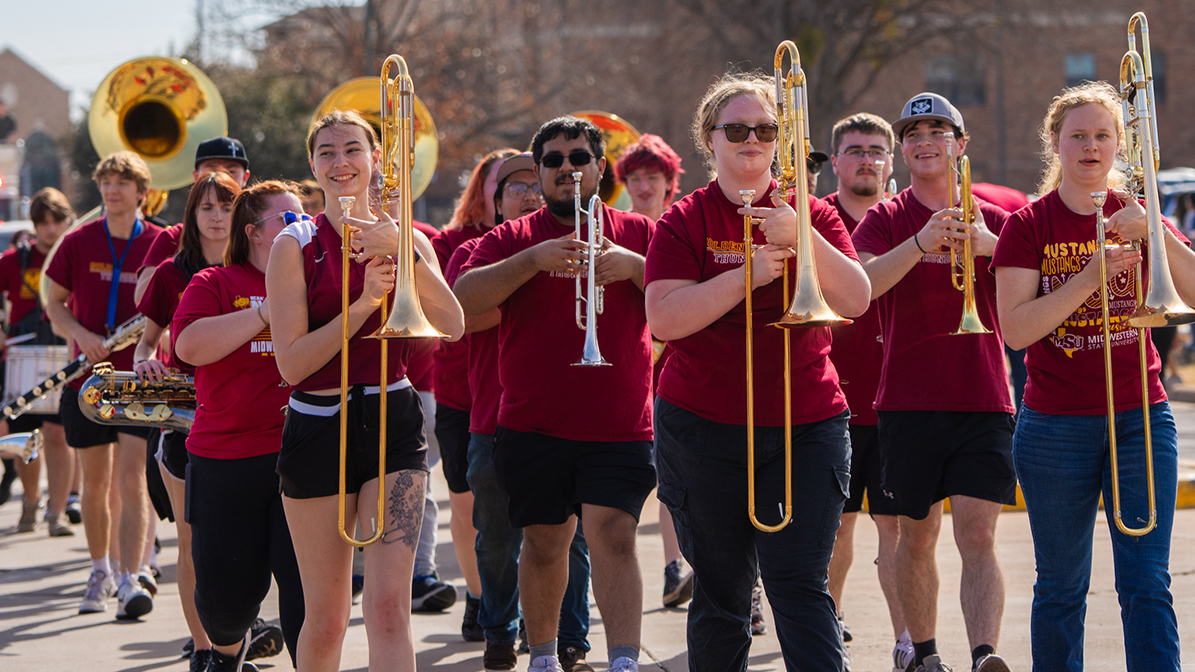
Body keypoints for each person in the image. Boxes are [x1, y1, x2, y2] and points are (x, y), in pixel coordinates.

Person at [644, 72, 869, 672]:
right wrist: (748, 275)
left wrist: (804, 237)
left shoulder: (813, 212)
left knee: (799, 586)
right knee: (721, 593)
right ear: (709, 139)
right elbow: (664, 319)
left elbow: (856, 298)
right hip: (702, 425)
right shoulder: (683, 220)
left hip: (808, 422)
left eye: (766, 130)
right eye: (737, 129)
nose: (752, 140)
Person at [992, 81, 1195, 672]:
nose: (1090, 146)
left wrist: (1155, 232)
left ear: (1119, 144)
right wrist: (1088, 276)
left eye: (1102, 135)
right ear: (1055, 143)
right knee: (1059, 586)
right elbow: (1017, 331)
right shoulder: (1027, 225)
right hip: (1055, 426)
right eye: (1077, 135)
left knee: (1147, 584)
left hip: (1141, 418)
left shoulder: (1138, 215)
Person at [454, 116, 657, 672]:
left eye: (578, 158)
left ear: (599, 167)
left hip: (619, 420)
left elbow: (676, 306)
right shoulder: (512, 237)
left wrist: (634, 268)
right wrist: (532, 261)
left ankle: (622, 661)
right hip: (533, 422)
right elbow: (462, 300)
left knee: (615, 534)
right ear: (539, 172)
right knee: (543, 542)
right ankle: (542, 657)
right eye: (553, 161)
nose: (567, 168)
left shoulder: (639, 233)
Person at [266, 109, 463, 672]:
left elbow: (453, 324)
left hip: (393, 418)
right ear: (312, 164)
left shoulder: (409, 237)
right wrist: (362, 308)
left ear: (376, 159)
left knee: (389, 610)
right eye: (326, 152)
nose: (340, 162)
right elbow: (294, 364)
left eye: (353, 149)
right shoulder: (293, 244)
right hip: (317, 424)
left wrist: (404, 252)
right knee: (326, 618)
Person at [851, 92, 1015, 672]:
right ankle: (924, 654)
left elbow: (1036, 290)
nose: (924, 140)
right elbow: (860, 285)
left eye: (938, 130)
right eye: (913, 132)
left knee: (979, 535)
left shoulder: (995, 218)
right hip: (908, 400)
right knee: (916, 538)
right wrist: (920, 243)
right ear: (904, 148)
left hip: (983, 396)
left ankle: (985, 653)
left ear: (960, 146)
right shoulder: (886, 218)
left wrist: (990, 248)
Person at [455, 151, 595, 672]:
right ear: (494, 200)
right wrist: (529, 281)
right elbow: (458, 317)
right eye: (515, 186)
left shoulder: (581, 247)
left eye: (534, 184)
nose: (530, 194)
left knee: (569, 539)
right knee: (494, 539)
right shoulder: (476, 253)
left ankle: (572, 640)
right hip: (491, 419)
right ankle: (499, 629)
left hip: (563, 422)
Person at [172, 180, 308, 672]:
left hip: (301, 455)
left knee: (306, 589)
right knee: (227, 603)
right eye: (289, 221)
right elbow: (188, 347)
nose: (303, 229)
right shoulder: (214, 283)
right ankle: (226, 656)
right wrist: (267, 310)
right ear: (252, 233)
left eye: (306, 219)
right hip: (225, 459)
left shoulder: (316, 278)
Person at [44, 151, 163, 619]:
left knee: (131, 475)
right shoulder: (77, 241)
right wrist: (82, 335)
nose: (112, 190)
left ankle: (131, 578)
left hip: (138, 376)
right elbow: (54, 303)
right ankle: (100, 571)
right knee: (95, 483)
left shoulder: (159, 242)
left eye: (122, 182)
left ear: (141, 192)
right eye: (106, 182)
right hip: (86, 379)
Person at [822, 112, 912, 670]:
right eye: (855, 150)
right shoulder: (815, 218)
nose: (868, 160)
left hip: (897, 396)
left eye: (878, 151)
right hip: (830, 398)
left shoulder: (905, 220)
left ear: (891, 160)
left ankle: (908, 639)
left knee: (895, 527)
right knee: (834, 525)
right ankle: (825, 624)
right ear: (835, 162)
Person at [430, 147, 518, 640]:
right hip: (462, 392)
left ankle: (513, 600)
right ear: (484, 191)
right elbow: (446, 312)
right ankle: (478, 594)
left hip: (518, 395)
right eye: (503, 182)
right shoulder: (451, 241)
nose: (519, 189)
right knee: (466, 505)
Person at [612, 134, 696, 611]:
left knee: (677, 470)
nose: (644, 187)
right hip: (630, 367)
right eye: (635, 178)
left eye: (653, 178)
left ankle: (678, 565)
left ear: (670, 182)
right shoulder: (616, 227)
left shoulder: (682, 223)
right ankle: (674, 566)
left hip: (676, 362)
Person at [0, 188, 73, 536]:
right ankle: (31, 500)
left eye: (56, 220)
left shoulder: (74, 256)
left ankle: (56, 512)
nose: (50, 229)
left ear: (67, 221)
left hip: (63, 356)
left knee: (59, 436)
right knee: (27, 438)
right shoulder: (14, 260)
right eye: (42, 222)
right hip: (21, 359)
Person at [134, 136, 251, 305]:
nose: (221, 177)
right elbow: (143, 298)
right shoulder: (173, 237)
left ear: (245, 178)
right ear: (196, 177)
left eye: (231, 171)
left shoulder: (256, 237)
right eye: (211, 171)